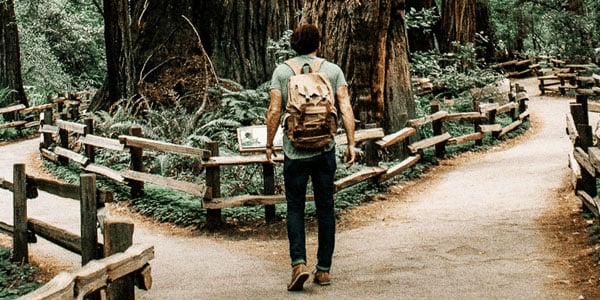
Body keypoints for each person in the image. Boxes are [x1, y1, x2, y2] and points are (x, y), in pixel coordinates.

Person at [265, 23, 356, 291]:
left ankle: (298, 264)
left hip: (295, 152)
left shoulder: (283, 72)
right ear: (318, 43)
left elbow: (273, 110)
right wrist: (351, 142)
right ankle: (324, 270)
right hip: (325, 150)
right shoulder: (332, 70)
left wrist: (269, 145)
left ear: (293, 43)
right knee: (325, 208)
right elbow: (345, 106)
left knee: (295, 208)